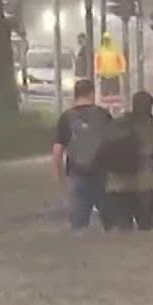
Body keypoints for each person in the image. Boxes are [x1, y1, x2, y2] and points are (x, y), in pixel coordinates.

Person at [104, 92, 153, 231]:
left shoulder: (115, 125)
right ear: (151, 107)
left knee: (122, 234)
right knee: (146, 233)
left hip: (116, 187)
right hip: (143, 188)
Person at [52, 79, 114, 231]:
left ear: (75, 95)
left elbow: (57, 153)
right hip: (102, 177)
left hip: (77, 176)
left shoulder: (66, 118)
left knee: (78, 229)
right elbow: (115, 146)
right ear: (92, 93)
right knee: (112, 226)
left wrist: (61, 179)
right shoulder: (103, 115)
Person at [94, 33, 127, 110]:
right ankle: (106, 108)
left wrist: (122, 70)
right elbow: (97, 62)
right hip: (104, 75)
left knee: (115, 93)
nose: (106, 41)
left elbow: (122, 60)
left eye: (107, 39)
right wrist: (97, 71)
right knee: (105, 93)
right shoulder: (100, 50)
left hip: (114, 75)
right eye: (105, 39)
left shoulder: (116, 49)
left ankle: (115, 108)